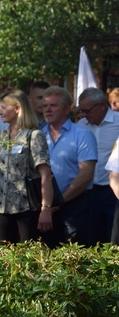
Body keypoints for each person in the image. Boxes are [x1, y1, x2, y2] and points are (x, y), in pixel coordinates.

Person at [0, 90, 55, 243]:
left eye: (3, 107)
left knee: (28, 257)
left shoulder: (34, 135)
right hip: (1, 207)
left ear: (17, 108)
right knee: (2, 258)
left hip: (26, 209)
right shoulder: (3, 136)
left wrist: (46, 208)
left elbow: (45, 175)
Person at [42, 86, 97, 247]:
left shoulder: (82, 135)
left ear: (67, 109)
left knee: (75, 257)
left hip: (75, 205)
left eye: (53, 105)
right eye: (45, 106)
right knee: (46, 257)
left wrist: (60, 201)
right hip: (45, 207)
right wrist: (48, 206)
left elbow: (86, 174)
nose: (48, 110)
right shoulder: (38, 135)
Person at [76, 87, 119, 244]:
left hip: (112, 192)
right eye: (82, 111)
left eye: (87, 111)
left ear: (102, 105)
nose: (84, 115)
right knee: (91, 238)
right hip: (87, 192)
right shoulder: (81, 125)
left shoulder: (118, 121)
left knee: (112, 238)